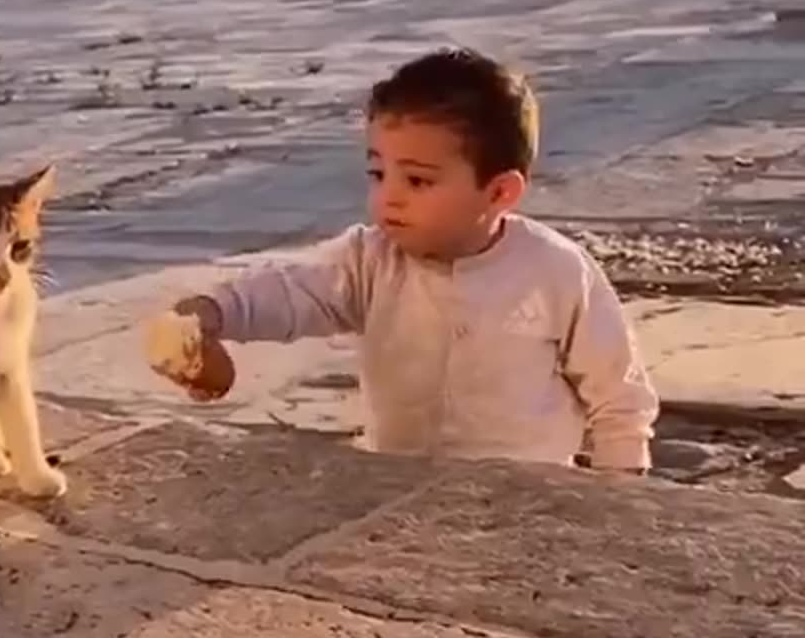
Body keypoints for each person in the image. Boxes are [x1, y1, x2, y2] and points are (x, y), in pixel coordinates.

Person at [150, 46, 659, 474]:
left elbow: (620, 395)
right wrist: (208, 315)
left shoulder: (557, 271)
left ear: (499, 192)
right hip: (395, 489)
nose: (389, 199)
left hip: (528, 502)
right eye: (378, 174)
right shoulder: (368, 260)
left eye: (417, 181)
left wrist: (618, 489)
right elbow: (285, 290)